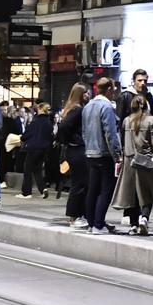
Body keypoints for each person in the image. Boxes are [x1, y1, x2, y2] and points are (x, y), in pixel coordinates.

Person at [111, 95, 153, 236]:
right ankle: (144, 219)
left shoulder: (127, 121)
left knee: (133, 193)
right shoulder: (152, 120)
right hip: (146, 161)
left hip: (129, 161)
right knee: (148, 192)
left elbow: (122, 139)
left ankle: (133, 225)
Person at [83, 77, 123, 234]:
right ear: (109, 89)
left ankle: (91, 223)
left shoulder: (88, 106)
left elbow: (84, 132)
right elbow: (110, 134)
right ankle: (98, 224)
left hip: (90, 152)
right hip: (104, 154)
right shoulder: (106, 107)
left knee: (92, 189)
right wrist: (117, 155)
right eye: (113, 89)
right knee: (106, 190)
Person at [56, 83, 89, 228]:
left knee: (80, 183)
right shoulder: (77, 110)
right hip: (77, 151)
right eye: (86, 92)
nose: (89, 95)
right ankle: (74, 216)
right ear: (80, 94)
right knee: (80, 184)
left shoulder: (72, 109)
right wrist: (73, 140)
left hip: (74, 150)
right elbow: (64, 128)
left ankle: (77, 215)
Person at [17, 103, 54, 199]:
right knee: (37, 169)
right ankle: (43, 189)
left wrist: (22, 138)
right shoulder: (49, 122)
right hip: (44, 149)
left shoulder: (35, 121)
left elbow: (27, 133)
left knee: (27, 169)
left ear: (41, 109)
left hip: (33, 147)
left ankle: (26, 192)